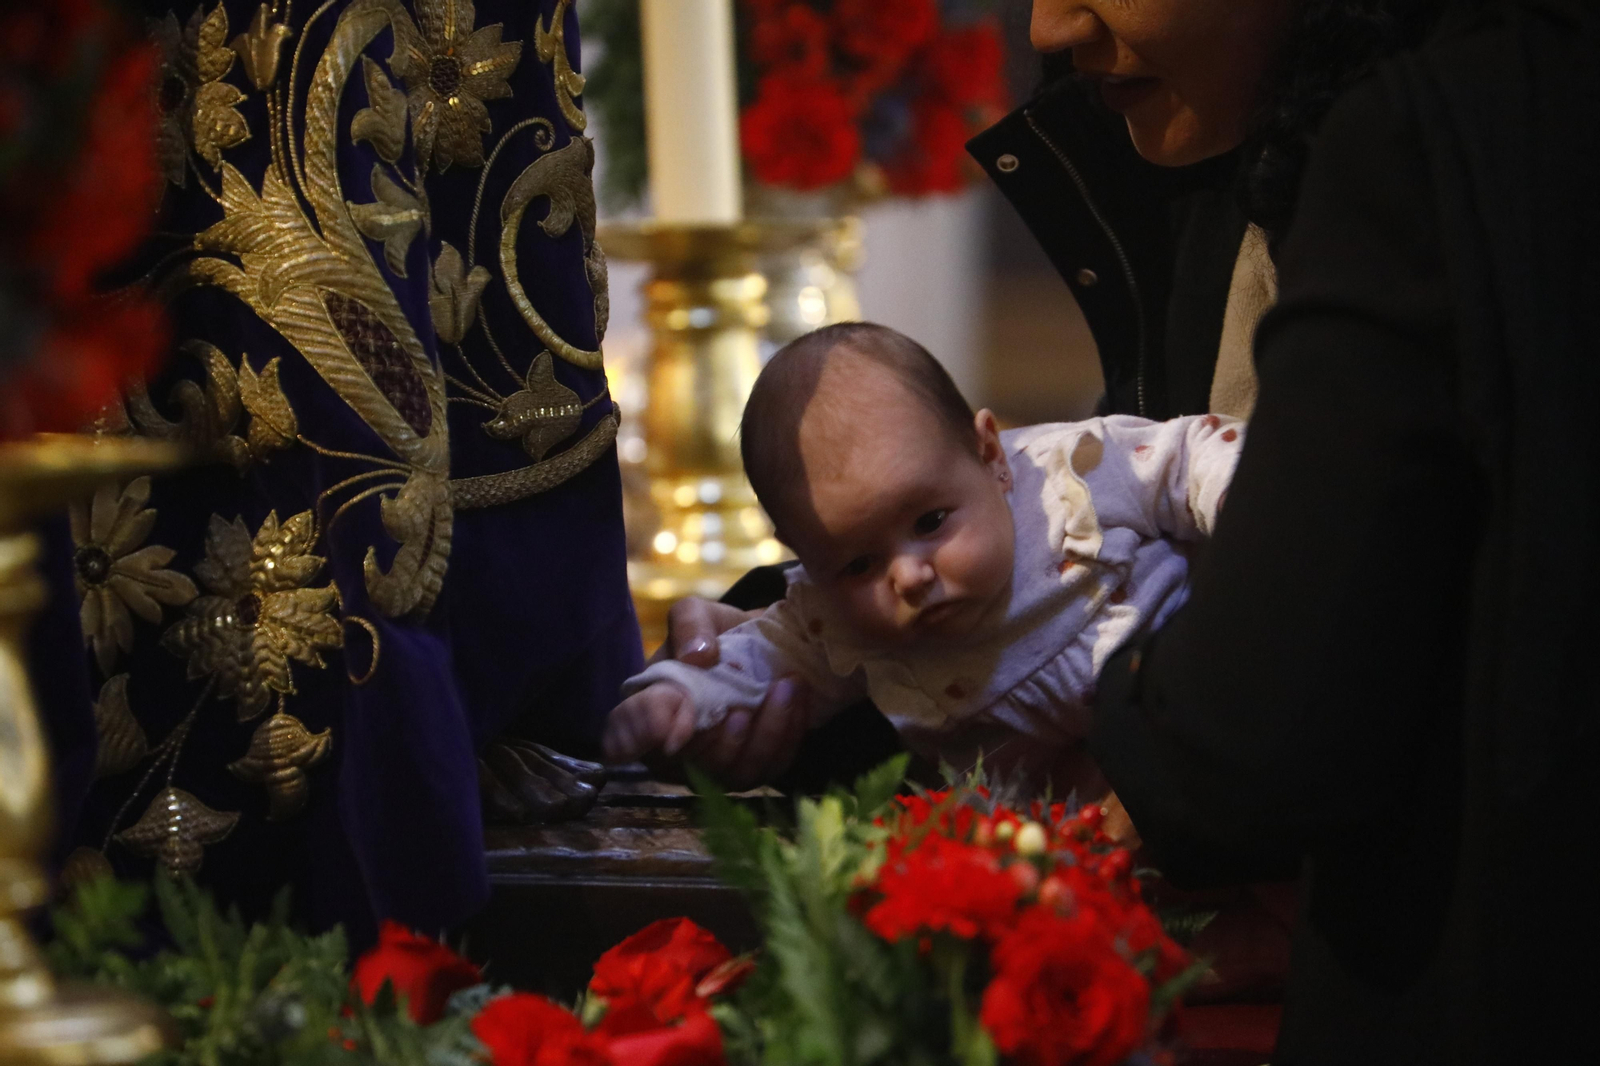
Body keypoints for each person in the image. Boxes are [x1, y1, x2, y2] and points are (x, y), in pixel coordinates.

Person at [639, 0, 1598, 1059]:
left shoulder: (1435, 138)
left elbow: (1263, 721)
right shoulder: (1216, 144)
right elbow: (1022, 603)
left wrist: (1147, 772)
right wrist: (763, 664)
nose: (1048, 28)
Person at [604, 324, 1242, 794]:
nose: (907, 575)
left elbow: (1186, 457)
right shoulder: (836, 621)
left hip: (1207, 732)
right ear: (803, 557)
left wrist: (1242, 494)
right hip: (1042, 853)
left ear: (990, 455)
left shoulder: (1070, 479)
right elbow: (748, 661)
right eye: (856, 565)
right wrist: (672, 698)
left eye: (931, 522)